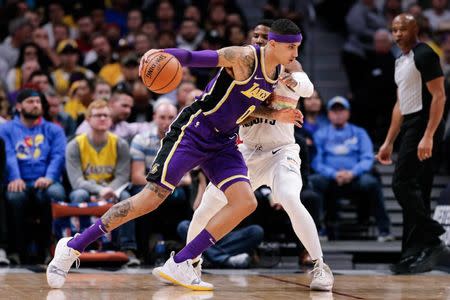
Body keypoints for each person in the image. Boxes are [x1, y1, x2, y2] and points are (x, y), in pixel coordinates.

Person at [47, 18, 303, 291]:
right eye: (291, 48)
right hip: (194, 131)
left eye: (298, 48)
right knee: (150, 199)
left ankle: (181, 262)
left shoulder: (277, 71)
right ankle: (73, 247)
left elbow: (246, 104)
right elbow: (193, 57)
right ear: (274, 44)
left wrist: (277, 113)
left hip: (224, 141)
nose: (296, 54)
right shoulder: (243, 58)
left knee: (245, 202)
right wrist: (163, 54)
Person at [173, 19, 333, 291]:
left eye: (263, 36)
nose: (258, 40)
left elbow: (307, 89)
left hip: (280, 151)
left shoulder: (289, 66)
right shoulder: (242, 70)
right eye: (255, 36)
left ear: (273, 41)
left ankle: (320, 266)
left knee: (291, 198)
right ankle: (189, 264)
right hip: (245, 151)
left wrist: (291, 81)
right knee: (206, 207)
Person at [377, 14, 450, 274]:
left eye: (402, 29)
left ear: (415, 29)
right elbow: (400, 104)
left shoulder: (425, 54)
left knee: (401, 183)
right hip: (409, 123)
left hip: (424, 124)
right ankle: (413, 254)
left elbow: (440, 97)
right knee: (417, 192)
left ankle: (431, 236)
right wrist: (388, 142)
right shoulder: (400, 60)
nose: (397, 34)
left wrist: (429, 135)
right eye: (394, 29)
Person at [65, 99, 138, 266]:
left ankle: (128, 248)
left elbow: (122, 176)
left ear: (111, 120)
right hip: (87, 189)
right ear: (88, 119)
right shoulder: (75, 145)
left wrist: (110, 190)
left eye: (106, 115)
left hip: (113, 190)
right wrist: (99, 190)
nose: (103, 118)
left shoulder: (120, 144)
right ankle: (75, 248)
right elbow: (76, 181)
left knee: (127, 197)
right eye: (98, 115)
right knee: (78, 194)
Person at [310, 96, 392, 241]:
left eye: (341, 110)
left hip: (355, 178)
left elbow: (367, 158)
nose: (338, 114)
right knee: (314, 182)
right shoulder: (321, 134)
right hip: (331, 179)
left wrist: (352, 173)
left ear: (348, 113)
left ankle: (384, 231)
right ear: (328, 114)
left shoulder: (359, 133)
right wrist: (333, 174)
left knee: (372, 183)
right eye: (334, 110)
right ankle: (319, 229)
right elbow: (316, 162)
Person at [0, 89, 66, 263]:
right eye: (30, 101)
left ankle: (49, 250)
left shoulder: (54, 129)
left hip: (46, 180)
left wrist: (49, 177)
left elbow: (58, 156)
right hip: (18, 180)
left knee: (55, 194)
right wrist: (14, 177)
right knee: (14, 197)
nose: (36, 105)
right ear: (19, 106)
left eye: (38, 101)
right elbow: (8, 154)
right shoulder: (5, 129)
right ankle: (16, 251)